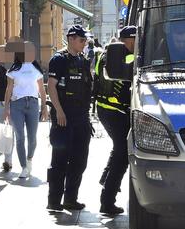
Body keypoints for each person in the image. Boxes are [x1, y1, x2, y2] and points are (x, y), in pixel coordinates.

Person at [46, 25, 93, 212]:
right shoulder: (59, 59)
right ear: (71, 39)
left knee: (80, 160)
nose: (84, 43)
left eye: (85, 41)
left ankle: (71, 199)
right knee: (59, 161)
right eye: (82, 40)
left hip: (81, 117)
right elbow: (51, 86)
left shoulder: (82, 60)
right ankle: (54, 201)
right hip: (64, 117)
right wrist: (59, 111)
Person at [95, 26, 136, 216]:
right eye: (136, 40)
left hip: (106, 110)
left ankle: (106, 179)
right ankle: (107, 201)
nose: (138, 44)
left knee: (118, 148)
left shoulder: (106, 54)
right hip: (116, 112)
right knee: (122, 156)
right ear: (128, 40)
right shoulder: (127, 57)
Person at [3, 42, 49, 178]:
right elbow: (9, 89)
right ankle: (23, 166)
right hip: (17, 104)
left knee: (33, 138)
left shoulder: (36, 69)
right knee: (20, 137)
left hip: (33, 103)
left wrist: (44, 107)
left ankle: (29, 159)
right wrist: (6, 108)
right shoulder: (13, 70)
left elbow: (42, 89)